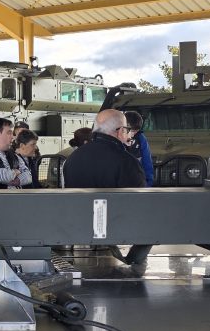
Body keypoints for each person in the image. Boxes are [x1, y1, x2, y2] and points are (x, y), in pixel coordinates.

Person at [62, 109, 150, 271]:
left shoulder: (73, 158)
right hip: (114, 233)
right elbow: (140, 204)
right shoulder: (127, 161)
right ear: (120, 131)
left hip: (77, 230)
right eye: (126, 130)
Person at [124, 110, 155, 187]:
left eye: (135, 131)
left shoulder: (141, 139)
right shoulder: (114, 138)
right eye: (131, 131)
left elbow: (147, 162)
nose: (132, 134)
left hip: (137, 182)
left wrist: (148, 183)